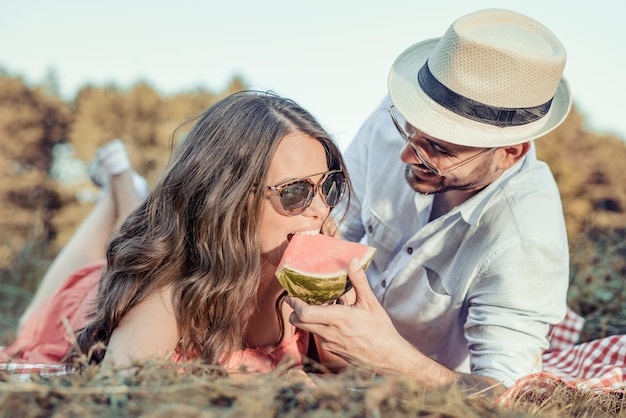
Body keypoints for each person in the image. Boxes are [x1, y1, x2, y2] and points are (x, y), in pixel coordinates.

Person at [287, 8, 571, 395]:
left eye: (438, 147)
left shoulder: (527, 242)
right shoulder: (412, 110)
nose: (406, 154)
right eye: (409, 129)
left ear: (511, 153)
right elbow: (337, 221)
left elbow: (505, 396)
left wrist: (392, 357)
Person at [3, 91, 350, 374]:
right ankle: (118, 182)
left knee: (131, 233)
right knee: (34, 319)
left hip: (145, 262)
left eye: (329, 186)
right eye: (295, 192)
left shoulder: (310, 269)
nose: (321, 209)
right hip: (83, 311)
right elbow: (116, 393)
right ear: (231, 198)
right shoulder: (167, 298)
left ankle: (123, 190)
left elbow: (341, 372)